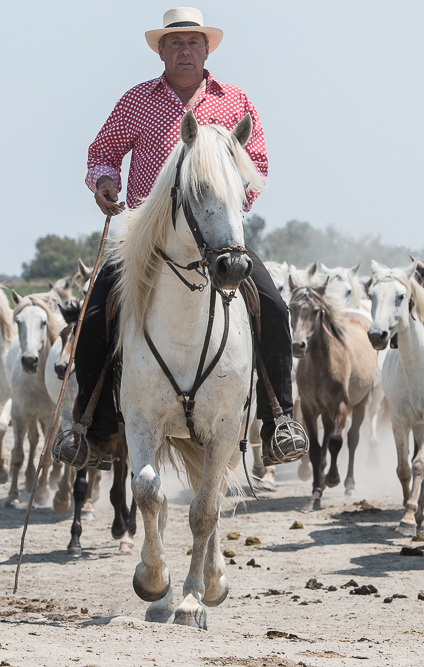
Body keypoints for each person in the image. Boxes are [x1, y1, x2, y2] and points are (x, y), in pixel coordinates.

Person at [63, 7, 303, 470]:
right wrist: (105, 182)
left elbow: (257, 167)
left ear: (207, 49)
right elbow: (102, 153)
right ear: (160, 50)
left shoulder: (234, 102)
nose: (185, 50)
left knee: (272, 305)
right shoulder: (137, 101)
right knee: (96, 314)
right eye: (175, 43)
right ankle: (93, 428)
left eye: (194, 42)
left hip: (218, 237)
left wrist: (226, 211)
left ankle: (280, 421)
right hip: (146, 241)